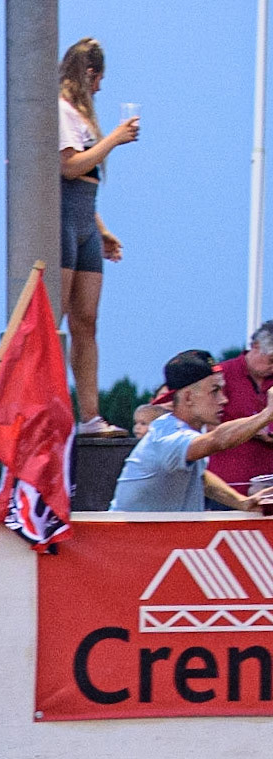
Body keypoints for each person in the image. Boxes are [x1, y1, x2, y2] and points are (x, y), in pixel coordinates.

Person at [59, 37, 139, 436]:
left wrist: (103, 231)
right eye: (99, 79)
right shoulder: (59, 110)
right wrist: (114, 139)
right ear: (89, 74)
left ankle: (89, 415)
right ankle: (47, 406)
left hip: (84, 219)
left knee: (86, 320)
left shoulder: (80, 115)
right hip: (60, 218)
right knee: (53, 318)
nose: (100, 89)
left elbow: (85, 178)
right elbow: (70, 166)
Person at [110, 350, 273, 513]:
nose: (224, 400)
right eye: (214, 391)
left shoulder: (186, 433)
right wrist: (267, 414)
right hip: (126, 537)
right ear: (188, 397)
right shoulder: (169, 436)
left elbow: (202, 477)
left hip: (153, 536)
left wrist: (242, 502)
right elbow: (217, 440)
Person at [207, 321, 273, 493]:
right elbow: (208, 426)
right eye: (271, 360)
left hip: (268, 490)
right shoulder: (221, 375)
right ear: (255, 346)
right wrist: (252, 428)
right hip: (227, 487)